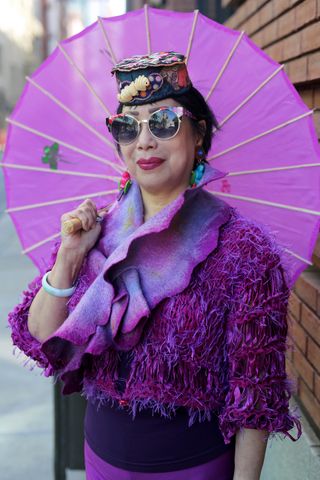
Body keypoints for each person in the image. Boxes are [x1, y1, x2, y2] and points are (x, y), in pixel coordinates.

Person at [8, 51, 302, 480]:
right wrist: (70, 256)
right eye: (128, 127)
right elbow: (40, 337)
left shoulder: (245, 250)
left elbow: (254, 395)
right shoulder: (95, 234)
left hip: (193, 468)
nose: (144, 141)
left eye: (163, 122)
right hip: (101, 462)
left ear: (198, 133)